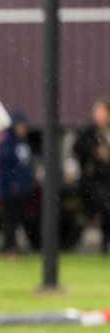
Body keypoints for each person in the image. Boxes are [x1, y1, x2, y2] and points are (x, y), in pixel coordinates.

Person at [72, 98, 110, 253]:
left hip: (107, 178)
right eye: (97, 111)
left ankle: (105, 244)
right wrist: (95, 151)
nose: (97, 114)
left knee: (105, 211)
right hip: (92, 179)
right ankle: (71, 242)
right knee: (101, 209)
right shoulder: (88, 131)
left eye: (101, 111)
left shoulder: (107, 131)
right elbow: (78, 148)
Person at [0, 110, 34, 257]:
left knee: (18, 219)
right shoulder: (7, 143)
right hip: (9, 189)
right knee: (9, 219)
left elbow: (26, 165)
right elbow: (3, 166)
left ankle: (14, 247)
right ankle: (8, 247)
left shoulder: (23, 142)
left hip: (21, 189)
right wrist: (12, 182)